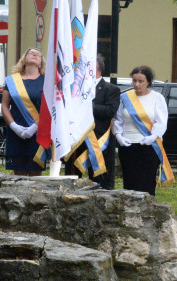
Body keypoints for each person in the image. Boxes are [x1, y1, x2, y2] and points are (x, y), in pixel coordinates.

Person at [65, 55, 120, 188]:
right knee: (71, 180)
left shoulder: (111, 89)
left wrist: (87, 106)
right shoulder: (74, 89)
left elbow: (109, 111)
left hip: (99, 139)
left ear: (98, 68)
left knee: (100, 182)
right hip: (76, 140)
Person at [113, 65, 170, 195]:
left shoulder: (157, 98)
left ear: (148, 82)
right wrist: (118, 136)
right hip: (128, 145)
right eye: (134, 81)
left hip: (149, 146)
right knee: (130, 182)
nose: (137, 84)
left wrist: (154, 136)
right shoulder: (124, 98)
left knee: (147, 182)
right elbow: (117, 120)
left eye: (141, 81)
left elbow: (161, 121)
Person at [1, 47, 46, 176]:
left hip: (37, 132)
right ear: (24, 60)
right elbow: (5, 106)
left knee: (35, 174)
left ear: (41, 63)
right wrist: (14, 126)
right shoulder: (12, 80)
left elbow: (47, 108)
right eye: (31, 53)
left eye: (38, 54)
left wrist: (33, 127)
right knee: (18, 174)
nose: (35, 54)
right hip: (16, 131)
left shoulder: (46, 81)